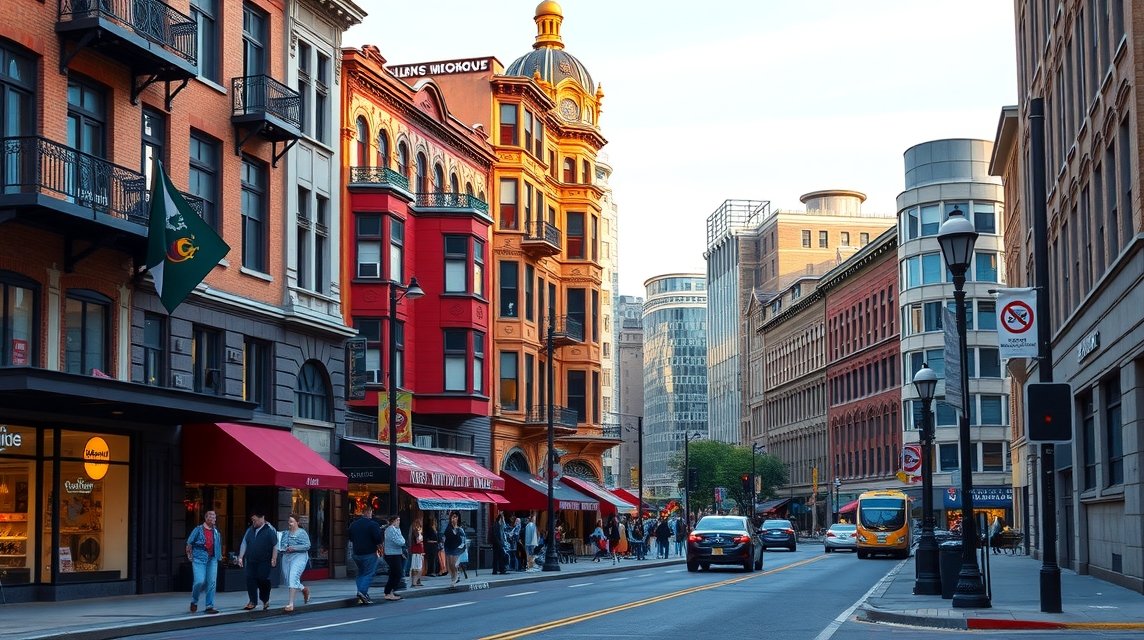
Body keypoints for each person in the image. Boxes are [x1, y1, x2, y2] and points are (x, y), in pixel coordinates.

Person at [237, 510, 278, 611]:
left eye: (255, 520)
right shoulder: (250, 530)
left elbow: (275, 545)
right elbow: (244, 543)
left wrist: (274, 558)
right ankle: (252, 602)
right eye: (252, 520)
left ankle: (265, 599)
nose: (253, 522)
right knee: (250, 579)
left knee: (262, 579)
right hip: (251, 560)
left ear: (261, 518)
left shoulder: (269, 530)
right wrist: (240, 557)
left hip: (264, 561)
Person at [185, 510, 222, 615]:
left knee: (211, 582)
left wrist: (219, 556)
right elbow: (189, 542)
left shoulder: (215, 531)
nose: (213, 519)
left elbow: (218, 544)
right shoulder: (198, 529)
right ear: (206, 518)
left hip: (212, 559)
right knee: (199, 581)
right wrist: (190, 555)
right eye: (211, 517)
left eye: (214, 517)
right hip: (199, 559)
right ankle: (194, 601)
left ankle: (209, 605)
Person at [347, 505, 383, 604]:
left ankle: (362, 593)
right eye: (371, 512)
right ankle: (362, 592)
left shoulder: (353, 524)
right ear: (368, 512)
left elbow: (350, 537)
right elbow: (378, 539)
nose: (371, 514)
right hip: (369, 553)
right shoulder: (373, 524)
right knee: (368, 573)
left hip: (357, 553)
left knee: (361, 573)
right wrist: (380, 548)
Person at [279, 514, 311, 612]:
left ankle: (291, 604)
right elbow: (282, 545)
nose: (290, 524)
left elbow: (307, 546)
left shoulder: (302, 533)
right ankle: (303, 589)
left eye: (292, 521)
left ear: (297, 522)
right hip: (287, 557)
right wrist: (284, 547)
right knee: (288, 579)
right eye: (289, 522)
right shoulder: (285, 533)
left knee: (293, 577)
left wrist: (294, 548)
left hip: (299, 556)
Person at [381, 514, 406, 601]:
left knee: (394, 574)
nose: (399, 522)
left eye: (399, 520)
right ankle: (388, 592)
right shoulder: (391, 530)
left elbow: (402, 540)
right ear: (393, 521)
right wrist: (402, 541)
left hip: (396, 554)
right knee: (398, 573)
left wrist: (402, 541)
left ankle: (389, 591)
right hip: (392, 555)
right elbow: (400, 542)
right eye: (397, 520)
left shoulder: (396, 529)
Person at [442, 511, 467, 588]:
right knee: (450, 565)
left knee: (454, 564)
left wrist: (461, 548)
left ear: (458, 518)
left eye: (455, 517)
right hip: (449, 547)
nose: (454, 518)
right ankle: (453, 577)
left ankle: (455, 579)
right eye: (453, 517)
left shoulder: (460, 529)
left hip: (457, 549)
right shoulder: (448, 528)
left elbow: (463, 540)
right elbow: (444, 536)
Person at [408, 519, 425, 586]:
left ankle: (416, 582)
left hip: (414, 550)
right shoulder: (416, 531)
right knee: (419, 568)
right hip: (417, 550)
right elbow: (418, 541)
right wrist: (422, 536)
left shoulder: (413, 531)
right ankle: (415, 582)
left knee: (415, 567)